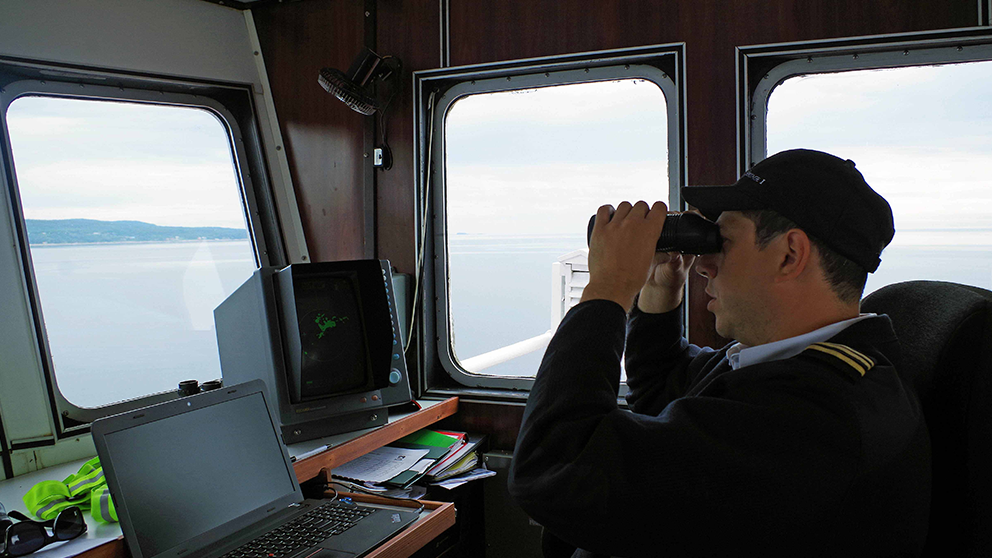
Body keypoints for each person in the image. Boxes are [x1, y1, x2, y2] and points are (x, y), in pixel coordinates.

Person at [507, 149, 931, 557]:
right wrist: (657, 292)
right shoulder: (795, 363)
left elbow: (555, 467)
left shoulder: (816, 422)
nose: (704, 264)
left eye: (722, 242)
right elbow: (664, 390)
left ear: (790, 255)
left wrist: (608, 289)